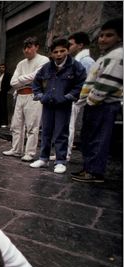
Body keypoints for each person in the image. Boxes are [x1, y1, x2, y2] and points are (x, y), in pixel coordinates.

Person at [72, 18, 123, 183]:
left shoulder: (116, 56)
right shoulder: (106, 56)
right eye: (101, 35)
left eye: (109, 35)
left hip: (102, 105)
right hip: (96, 104)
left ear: (120, 37)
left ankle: (94, 171)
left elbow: (107, 83)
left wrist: (92, 100)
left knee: (98, 138)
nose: (103, 39)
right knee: (90, 137)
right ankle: (89, 168)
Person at [29, 38, 87, 174]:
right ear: (52, 53)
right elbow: (36, 82)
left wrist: (69, 97)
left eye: (62, 51)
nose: (59, 54)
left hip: (63, 105)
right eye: (56, 52)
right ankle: (43, 158)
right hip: (48, 104)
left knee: (61, 133)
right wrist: (40, 95)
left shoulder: (75, 66)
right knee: (46, 132)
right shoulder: (47, 67)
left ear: (67, 51)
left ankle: (60, 161)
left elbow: (81, 83)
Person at [2, 37, 49, 162]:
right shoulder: (21, 63)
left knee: (32, 125)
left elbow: (37, 76)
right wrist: (26, 81)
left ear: (36, 47)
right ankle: (16, 149)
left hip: (34, 96)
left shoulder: (43, 60)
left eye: (29, 47)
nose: (26, 50)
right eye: (25, 48)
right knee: (17, 124)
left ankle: (30, 152)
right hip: (20, 95)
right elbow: (13, 82)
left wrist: (21, 79)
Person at [65, 32, 96, 160]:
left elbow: (88, 82)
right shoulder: (78, 60)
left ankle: (65, 154)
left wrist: (75, 97)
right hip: (74, 96)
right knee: (66, 125)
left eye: (71, 44)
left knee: (69, 125)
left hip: (77, 97)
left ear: (80, 45)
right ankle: (63, 152)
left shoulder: (86, 61)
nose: (69, 47)